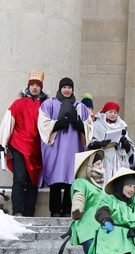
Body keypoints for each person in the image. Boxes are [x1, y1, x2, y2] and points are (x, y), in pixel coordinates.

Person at [38, 77, 91, 217]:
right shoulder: (49, 104)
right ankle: (55, 210)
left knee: (71, 179)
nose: (67, 90)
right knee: (55, 178)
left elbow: (89, 125)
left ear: (73, 89)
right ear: (60, 88)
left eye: (69, 87)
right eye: (64, 87)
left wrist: (79, 125)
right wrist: (58, 124)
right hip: (55, 147)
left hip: (74, 147)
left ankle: (67, 210)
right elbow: (43, 123)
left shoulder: (81, 107)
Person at [0, 69, 48, 217]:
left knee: (33, 183)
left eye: (37, 85)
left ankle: (29, 212)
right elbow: (8, 122)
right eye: (32, 84)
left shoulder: (45, 106)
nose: (35, 87)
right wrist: (2, 143)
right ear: (28, 86)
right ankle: (18, 211)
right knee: (20, 180)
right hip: (18, 146)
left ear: (41, 88)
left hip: (37, 150)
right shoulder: (18, 103)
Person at [70, 149, 105, 254]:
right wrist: (77, 208)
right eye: (97, 164)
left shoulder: (100, 186)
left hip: (100, 226)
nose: (101, 166)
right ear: (88, 167)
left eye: (101, 163)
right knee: (93, 253)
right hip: (86, 226)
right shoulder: (81, 182)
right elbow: (79, 197)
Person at [88, 101, 135, 183]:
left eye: (115, 112)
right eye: (110, 112)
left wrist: (125, 143)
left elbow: (129, 146)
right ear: (105, 112)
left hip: (119, 158)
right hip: (105, 158)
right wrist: (101, 143)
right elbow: (90, 143)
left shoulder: (121, 125)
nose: (113, 114)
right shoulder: (97, 125)